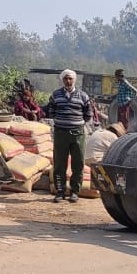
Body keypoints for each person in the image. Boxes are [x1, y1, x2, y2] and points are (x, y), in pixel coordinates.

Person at [46, 69, 93, 203]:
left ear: (74, 80)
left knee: (78, 164)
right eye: (66, 78)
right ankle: (60, 192)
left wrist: (77, 122)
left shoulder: (83, 96)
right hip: (60, 133)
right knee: (59, 164)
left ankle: (74, 192)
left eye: (70, 78)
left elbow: (88, 114)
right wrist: (62, 121)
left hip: (78, 134)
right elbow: (51, 111)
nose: (68, 81)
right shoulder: (55, 95)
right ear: (62, 80)